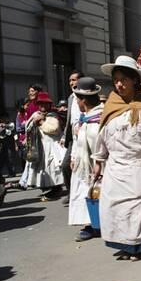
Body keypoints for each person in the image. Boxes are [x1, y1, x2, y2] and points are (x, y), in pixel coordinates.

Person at [92, 55, 141, 261]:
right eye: (116, 80)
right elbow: (102, 137)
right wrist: (98, 160)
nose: (119, 84)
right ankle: (124, 245)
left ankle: (139, 247)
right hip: (115, 169)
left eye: (124, 79)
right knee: (114, 207)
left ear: (134, 80)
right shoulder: (110, 107)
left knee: (136, 208)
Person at [68, 77, 104, 242]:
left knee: (94, 195)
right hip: (83, 166)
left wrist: (98, 166)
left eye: (77, 100)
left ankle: (95, 225)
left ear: (84, 100)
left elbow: (99, 147)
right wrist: (74, 156)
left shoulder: (97, 119)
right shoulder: (87, 117)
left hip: (94, 168)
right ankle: (91, 224)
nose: (77, 103)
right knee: (86, 195)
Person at [24, 91, 66, 201]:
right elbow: (27, 127)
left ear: (49, 104)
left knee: (53, 168)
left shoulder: (53, 115)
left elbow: (53, 129)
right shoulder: (36, 114)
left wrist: (41, 122)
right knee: (44, 168)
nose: (43, 106)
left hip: (52, 146)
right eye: (40, 103)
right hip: (39, 146)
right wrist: (34, 122)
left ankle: (56, 189)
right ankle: (50, 187)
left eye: (45, 103)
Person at [61, 70, 83, 204]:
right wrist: (65, 135)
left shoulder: (87, 95)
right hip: (73, 139)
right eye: (70, 80)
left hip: (85, 134)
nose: (71, 83)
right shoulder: (70, 98)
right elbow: (69, 119)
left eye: (74, 80)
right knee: (65, 165)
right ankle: (70, 192)